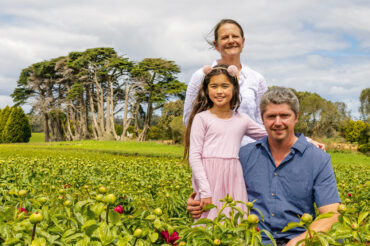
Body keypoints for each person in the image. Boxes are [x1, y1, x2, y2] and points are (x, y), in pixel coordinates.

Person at [187, 87, 341, 246]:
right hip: (250, 240)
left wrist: (298, 242)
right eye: (271, 116)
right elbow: (221, 188)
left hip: (298, 239)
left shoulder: (318, 159)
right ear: (262, 119)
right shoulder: (244, 155)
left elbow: (332, 214)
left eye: (285, 116)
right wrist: (198, 203)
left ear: (296, 117)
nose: (278, 122)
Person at [184, 64, 267, 220]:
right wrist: (205, 191)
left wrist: (306, 141)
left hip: (233, 176)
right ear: (207, 90)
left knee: (234, 219)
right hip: (208, 178)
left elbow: (271, 135)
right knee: (207, 223)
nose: (219, 91)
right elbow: (195, 156)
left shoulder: (242, 120)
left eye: (225, 86)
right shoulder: (201, 119)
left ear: (234, 89)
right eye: (214, 86)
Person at [183, 19, 267, 147]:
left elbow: (264, 121)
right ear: (216, 44)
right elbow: (189, 119)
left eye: (235, 36)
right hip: (214, 154)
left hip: (251, 154)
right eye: (225, 37)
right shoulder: (201, 76)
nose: (231, 40)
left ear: (243, 42)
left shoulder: (256, 79)